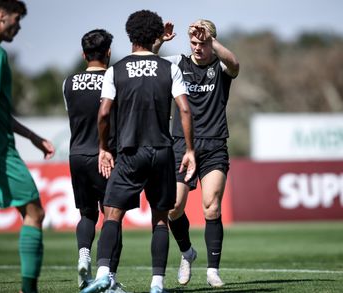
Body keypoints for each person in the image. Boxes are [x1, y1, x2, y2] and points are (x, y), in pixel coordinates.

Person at [81, 9, 196, 293]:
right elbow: (184, 108)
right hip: (162, 151)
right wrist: (190, 149)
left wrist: (103, 148)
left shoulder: (115, 70)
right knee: (160, 219)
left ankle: (104, 274)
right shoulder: (169, 68)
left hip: (129, 152)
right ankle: (157, 284)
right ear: (157, 36)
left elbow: (104, 113)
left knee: (113, 215)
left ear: (130, 35)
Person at [153, 20, 240, 287]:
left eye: (203, 43)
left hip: (214, 145)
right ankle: (187, 252)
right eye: (194, 43)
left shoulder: (220, 65)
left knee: (211, 207)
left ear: (212, 42)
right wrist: (159, 42)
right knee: (173, 208)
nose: (198, 47)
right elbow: (150, 62)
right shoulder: (178, 62)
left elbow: (235, 64)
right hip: (180, 144)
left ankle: (213, 270)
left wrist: (211, 40)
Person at [0, 1, 55, 292]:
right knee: (34, 213)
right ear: (2, 16)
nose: (18, 26)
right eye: (17, 19)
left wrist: (32, 137)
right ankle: (29, 289)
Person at [62, 29, 133, 293]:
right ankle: (109, 279)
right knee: (112, 217)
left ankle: (83, 255)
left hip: (77, 154)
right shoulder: (115, 78)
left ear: (84, 54)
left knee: (87, 214)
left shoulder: (68, 82)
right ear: (109, 52)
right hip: (108, 156)